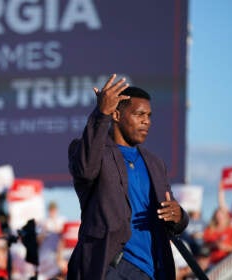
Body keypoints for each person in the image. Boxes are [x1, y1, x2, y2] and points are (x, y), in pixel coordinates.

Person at [67, 74, 189, 280]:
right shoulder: (93, 152)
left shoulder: (155, 163)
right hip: (112, 266)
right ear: (116, 115)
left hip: (154, 269)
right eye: (139, 114)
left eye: (149, 116)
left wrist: (179, 216)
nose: (146, 121)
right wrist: (100, 114)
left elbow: (172, 213)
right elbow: (85, 169)